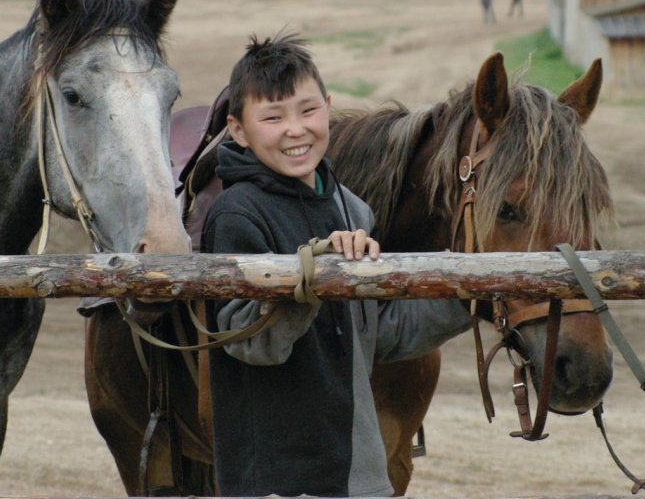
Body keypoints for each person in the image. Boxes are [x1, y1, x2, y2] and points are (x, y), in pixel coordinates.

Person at [201, 33, 471, 497]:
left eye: (308, 110)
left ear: (327, 105)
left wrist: (469, 296)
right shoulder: (235, 215)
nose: (295, 129)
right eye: (272, 117)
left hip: (360, 477)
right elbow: (254, 345)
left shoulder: (352, 209)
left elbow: (377, 331)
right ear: (239, 130)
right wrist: (317, 276)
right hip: (275, 481)